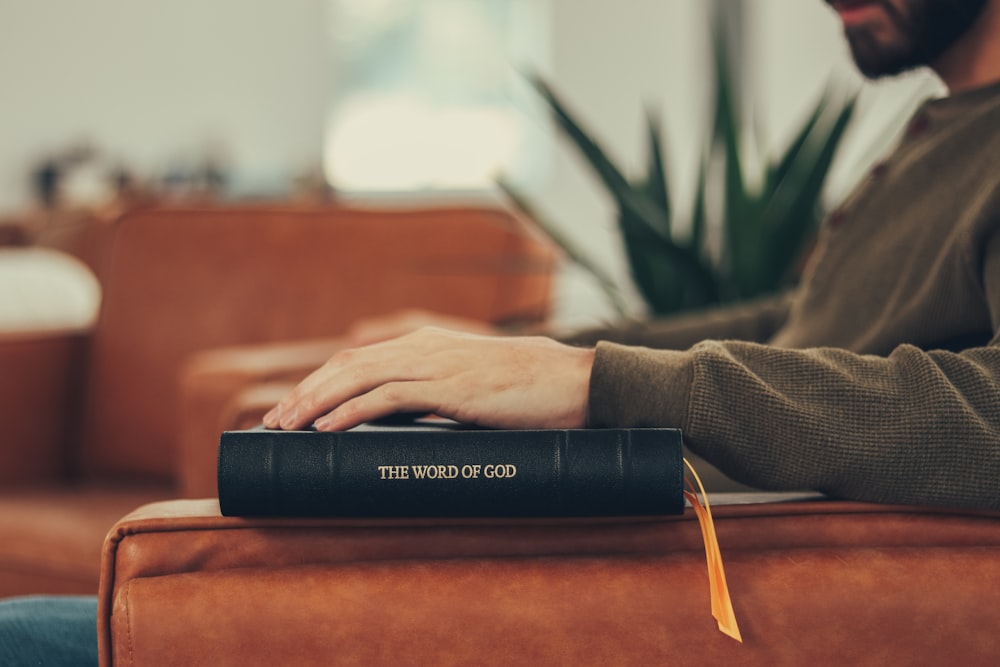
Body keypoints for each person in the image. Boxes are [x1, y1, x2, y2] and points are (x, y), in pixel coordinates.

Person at [2, 1, 998, 664]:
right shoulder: (940, 132)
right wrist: (516, 351)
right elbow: (797, 323)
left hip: (693, 588)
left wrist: (601, 383)